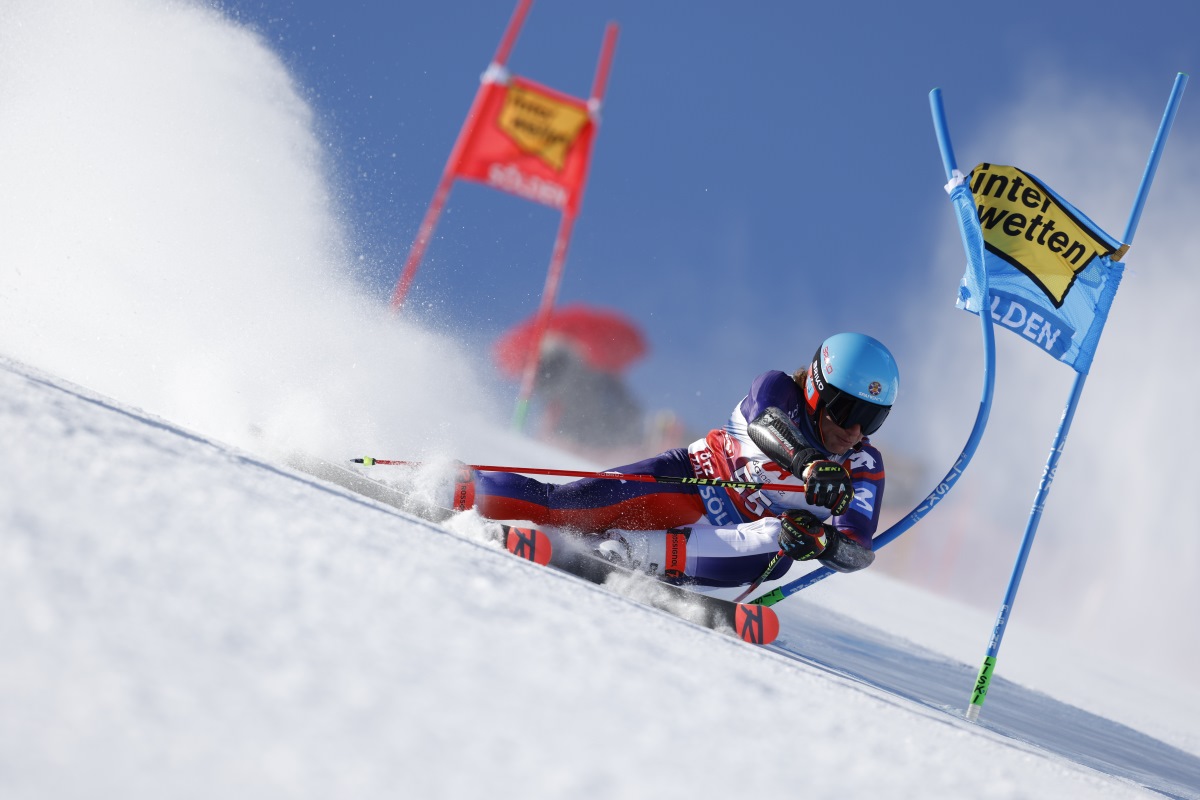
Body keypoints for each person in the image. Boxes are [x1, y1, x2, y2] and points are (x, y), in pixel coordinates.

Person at [445, 332, 898, 588]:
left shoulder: (864, 468)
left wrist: (822, 543)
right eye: (847, 410)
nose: (855, 430)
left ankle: (626, 553)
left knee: (781, 540)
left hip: (738, 550)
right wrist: (810, 465)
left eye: (872, 419)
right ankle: (454, 486)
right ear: (816, 388)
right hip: (689, 482)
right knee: (563, 506)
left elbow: (858, 551)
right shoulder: (778, 389)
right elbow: (767, 427)